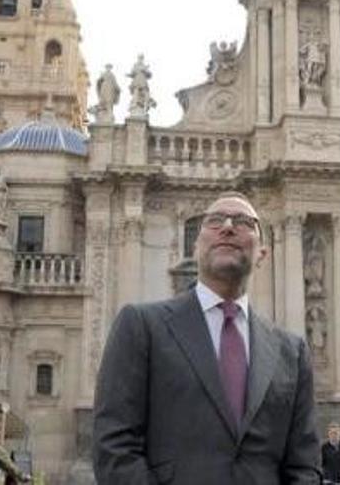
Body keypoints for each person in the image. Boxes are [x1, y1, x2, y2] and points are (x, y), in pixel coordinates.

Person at [93, 192, 322, 484]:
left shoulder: (292, 352)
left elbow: (304, 465)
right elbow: (114, 448)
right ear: (196, 245)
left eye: (243, 222)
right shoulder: (141, 326)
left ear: (262, 252)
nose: (227, 226)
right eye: (214, 221)